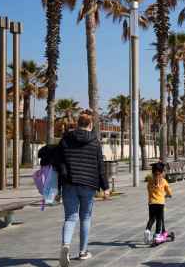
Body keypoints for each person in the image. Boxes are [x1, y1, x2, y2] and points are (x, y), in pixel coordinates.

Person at [57, 110, 110, 267]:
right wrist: (105, 188)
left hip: (69, 184)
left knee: (70, 217)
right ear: (91, 125)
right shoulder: (95, 142)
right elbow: (100, 166)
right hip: (88, 184)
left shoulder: (66, 139)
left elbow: (60, 164)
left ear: (77, 124)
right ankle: (83, 252)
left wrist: (60, 186)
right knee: (85, 217)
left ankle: (65, 245)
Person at [144, 162, 172, 244]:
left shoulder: (150, 181)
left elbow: (148, 189)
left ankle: (147, 230)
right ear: (162, 172)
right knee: (159, 219)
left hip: (151, 203)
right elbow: (169, 192)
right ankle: (157, 235)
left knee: (152, 219)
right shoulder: (163, 181)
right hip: (160, 203)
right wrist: (168, 195)